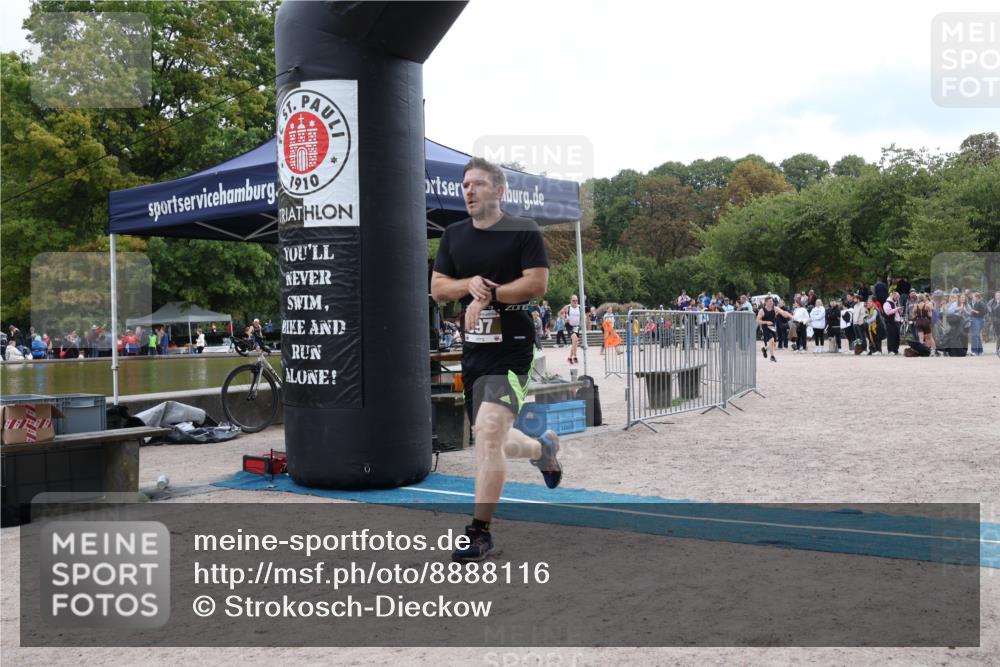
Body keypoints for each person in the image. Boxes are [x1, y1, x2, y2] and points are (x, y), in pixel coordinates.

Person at [430, 156, 560, 563]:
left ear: (499, 190)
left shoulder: (523, 230)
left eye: (478, 184)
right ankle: (542, 450)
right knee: (494, 439)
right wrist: (467, 284)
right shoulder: (453, 236)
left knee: (487, 433)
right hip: (475, 352)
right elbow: (438, 288)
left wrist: (489, 294)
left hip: (513, 349)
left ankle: (479, 532)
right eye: (465, 185)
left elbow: (536, 284)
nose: (468, 191)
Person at [756, 296, 793, 362]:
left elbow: (784, 312)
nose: (771, 302)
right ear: (766, 302)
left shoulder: (775, 308)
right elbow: (758, 320)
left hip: (773, 327)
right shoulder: (762, 310)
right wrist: (766, 322)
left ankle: (765, 349)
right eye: (770, 301)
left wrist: (791, 316)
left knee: (774, 344)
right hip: (766, 327)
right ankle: (772, 357)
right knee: (771, 341)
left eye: (772, 301)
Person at [563, 294, 583, 365]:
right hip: (569, 326)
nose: (575, 302)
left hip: (576, 327)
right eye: (573, 300)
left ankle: (569, 358)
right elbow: (562, 316)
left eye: (576, 300)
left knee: (575, 342)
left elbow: (583, 316)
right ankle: (575, 356)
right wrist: (565, 320)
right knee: (575, 339)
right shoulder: (567, 307)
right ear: (570, 301)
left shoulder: (580, 307)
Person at [883, 291, 903, 355]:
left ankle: (895, 350)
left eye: (898, 297)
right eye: (897, 297)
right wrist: (897, 309)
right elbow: (888, 312)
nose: (897, 299)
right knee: (891, 336)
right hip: (890, 322)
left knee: (897, 337)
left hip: (897, 322)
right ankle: (890, 350)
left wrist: (900, 311)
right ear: (893, 296)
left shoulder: (895, 303)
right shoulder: (887, 303)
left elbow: (896, 313)